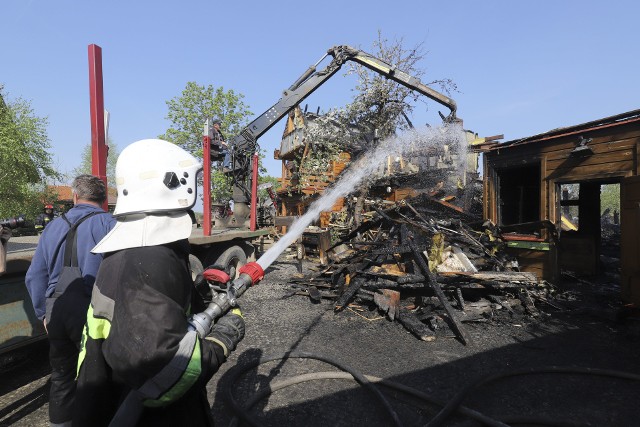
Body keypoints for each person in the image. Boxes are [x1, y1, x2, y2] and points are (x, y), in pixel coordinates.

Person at [74, 139, 245, 426]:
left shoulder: (129, 252)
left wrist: (195, 296)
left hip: (107, 401)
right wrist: (220, 341)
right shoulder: (150, 260)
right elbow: (164, 372)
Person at [25, 175, 116, 427]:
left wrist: (42, 313)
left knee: (62, 375)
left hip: (56, 309)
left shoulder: (52, 226)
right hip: (93, 310)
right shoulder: (111, 225)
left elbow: (35, 275)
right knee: (98, 375)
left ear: (75, 196)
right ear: (104, 199)